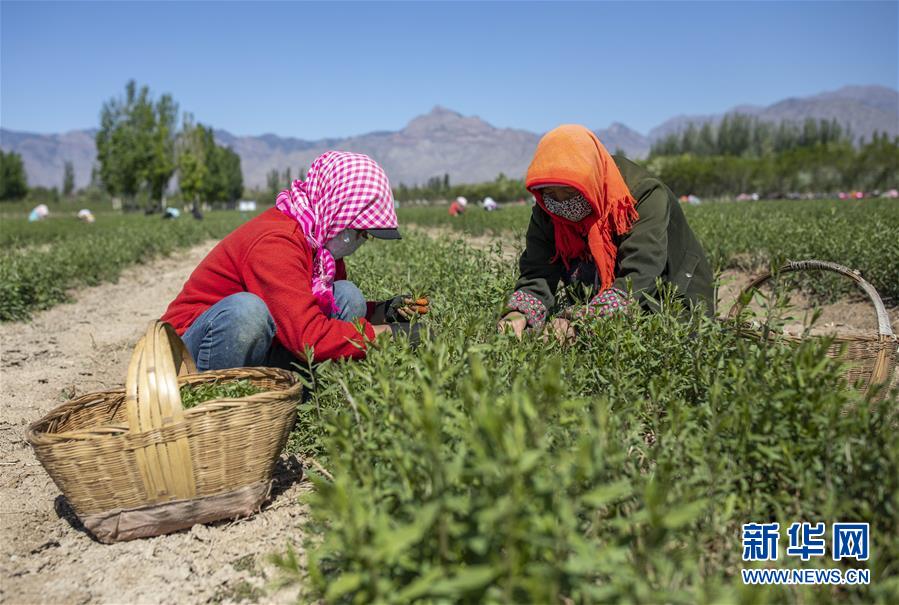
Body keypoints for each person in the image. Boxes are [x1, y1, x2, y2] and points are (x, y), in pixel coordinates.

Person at [161, 151, 429, 371]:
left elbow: (303, 310)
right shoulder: (277, 242)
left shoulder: (320, 246)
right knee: (247, 312)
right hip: (185, 353)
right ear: (339, 211)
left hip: (259, 340)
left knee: (347, 295)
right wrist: (390, 335)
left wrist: (382, 311)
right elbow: (309, 337)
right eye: (361, 232)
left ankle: (308, 390)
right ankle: (214, 400)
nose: (362, 240)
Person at [497, 125, 713, 340]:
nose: (562, 203)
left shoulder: (643, 194)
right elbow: (538, 270)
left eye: (570, 192)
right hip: (604, 297)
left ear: (590, 180)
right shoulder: (548, 206)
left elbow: (640, 272)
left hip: (671, 290)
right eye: (551, 193)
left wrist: (581, 320)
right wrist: (519, 314)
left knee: (662, 339)